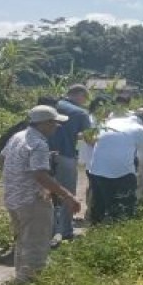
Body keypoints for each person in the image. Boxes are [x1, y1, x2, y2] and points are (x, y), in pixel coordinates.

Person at [0, 105, 79, 285]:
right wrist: (68, 196)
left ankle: (21, 277)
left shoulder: (17, 136)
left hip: (13, 198)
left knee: (23, 240)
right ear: (45, 123)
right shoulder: (39, 144)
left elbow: (1, 159)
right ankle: (30, 284)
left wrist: (18, 177)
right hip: (32, 200)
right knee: (36, 243)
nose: (57, 126)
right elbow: (41, 176)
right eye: (54, 123)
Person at [86, 108, 143, 223]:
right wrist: (138, 174)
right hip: (122, 172)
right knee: (124, 206)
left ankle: (95, 226)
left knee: (98, 204)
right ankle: (120, 225)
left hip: (96, 169)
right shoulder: (141, 130)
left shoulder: (112, 122)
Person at [49, 85, 93, 243]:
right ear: (80, 95)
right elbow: (91, 139)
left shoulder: (52, 105)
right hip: (65, 156)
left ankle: (48, 228)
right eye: (85, 98)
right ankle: (65, 230)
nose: (84, 102)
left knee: (47, 193)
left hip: (42, 156)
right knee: (66, 193)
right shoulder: (80, 113)